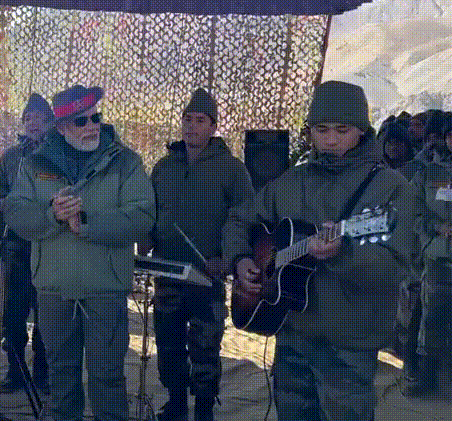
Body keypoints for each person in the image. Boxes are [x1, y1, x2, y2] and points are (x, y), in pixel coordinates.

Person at [225, 81, 417, 421]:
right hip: (291, 332)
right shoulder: (292, 180)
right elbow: (241, 218)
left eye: (341, 130)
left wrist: (343, 254)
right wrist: (240, 260)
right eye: (321, 129)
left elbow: (395, 269)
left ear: (361, 130)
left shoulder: (390, 187)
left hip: (349, 345)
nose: (330, 139)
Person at [4, 85, 155, 421]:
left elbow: (143, 216)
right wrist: (51, 214)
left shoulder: (125, 161)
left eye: (96, 117)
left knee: (108, 378)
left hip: (105, 288)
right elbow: (15, 212)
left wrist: (87, 223)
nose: (92, 126)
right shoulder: (34, 164)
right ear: (60, 127)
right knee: (61, 379)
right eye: (81, 120)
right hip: (54, 290)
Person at [143, 88, 254, 421]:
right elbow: (149, 211)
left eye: (200, 121)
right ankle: (176, 403)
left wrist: (228, 256)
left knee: (205, 347)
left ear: (213, 126)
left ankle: (204, 409)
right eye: (187, 119)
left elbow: (246, 218)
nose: (191, 126)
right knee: (168, 344)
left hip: (208, 274)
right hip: (167, 271)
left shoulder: (232, 169)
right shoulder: (163, 167)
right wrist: (145, 238)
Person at [0, 93, 52, 394]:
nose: (32, 124)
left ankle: (43, 372)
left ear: (51, 122)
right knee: (13, 314)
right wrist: (1, 202)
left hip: (50, 247)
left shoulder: (59, 155)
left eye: (39, 118)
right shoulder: (11, 157)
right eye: (28, 118)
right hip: (15, 246)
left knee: (47, 313)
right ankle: (15, 371)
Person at [406, 117, 452, 397]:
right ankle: (425, 376)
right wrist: (437, 229)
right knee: (431, 317)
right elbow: (411, 211)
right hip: (439, 258)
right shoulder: (430, 174)